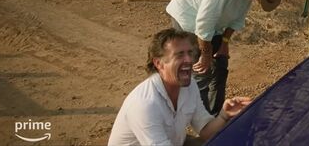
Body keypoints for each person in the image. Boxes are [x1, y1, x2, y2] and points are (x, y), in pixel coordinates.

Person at [166, 0, 286, 116]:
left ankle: (216, 117)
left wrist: (224, 43)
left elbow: (237, 18)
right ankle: (201, 125)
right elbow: (204, 22)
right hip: (188, 17)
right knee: (201, 73)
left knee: (221, 66)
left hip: (212, 24)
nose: (258, 1)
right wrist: (206, 54)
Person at [108, 28, 252, 145]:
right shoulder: (145, 104)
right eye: (179, 55)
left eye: (190, 53)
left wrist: (224, 115)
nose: (189, 60)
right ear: (159, 63)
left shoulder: (189, 87)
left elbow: (206, 131)